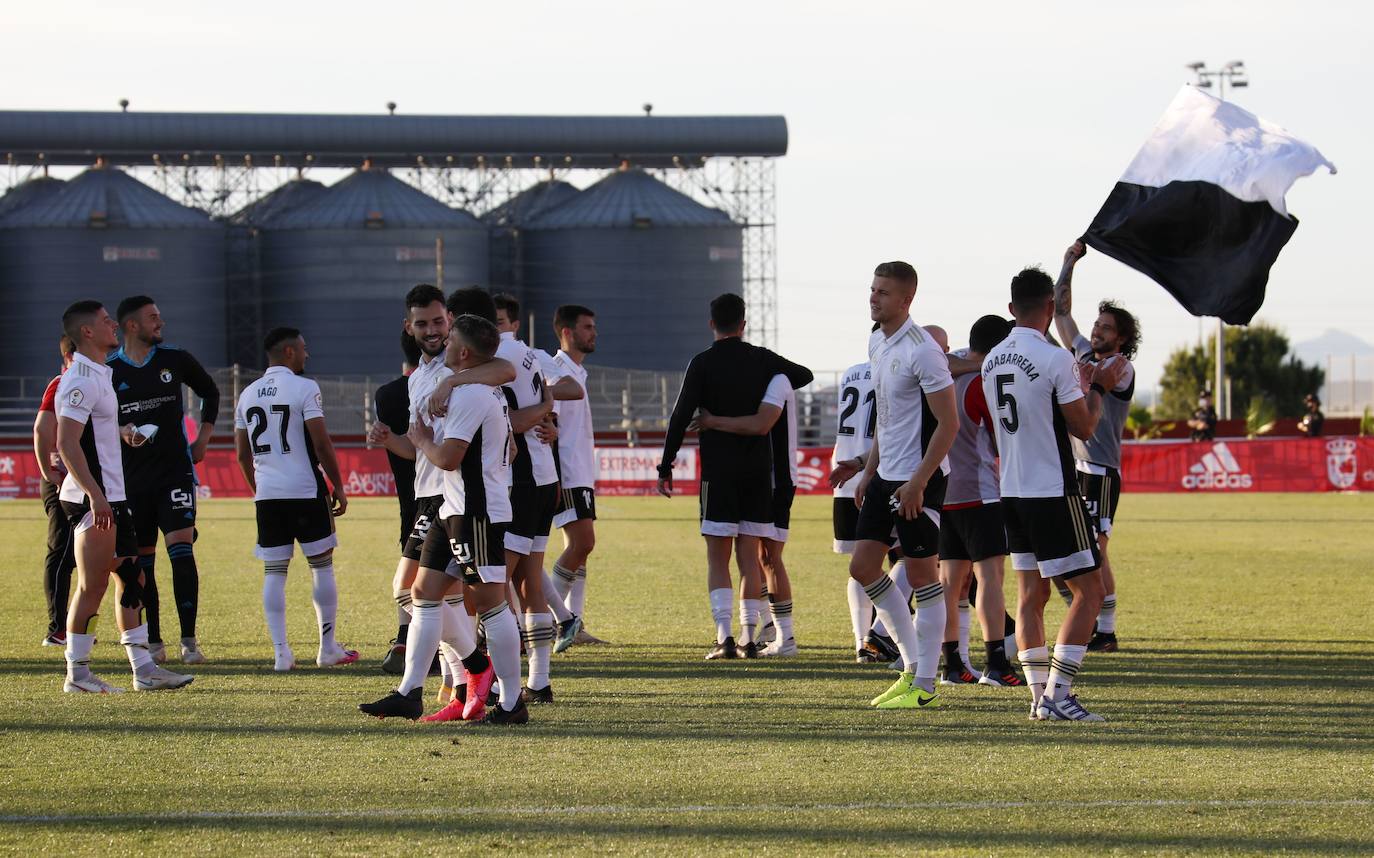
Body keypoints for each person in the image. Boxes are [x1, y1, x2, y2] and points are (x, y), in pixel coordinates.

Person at [361, 313, 527, 725]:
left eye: (450, 334)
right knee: (422, 591)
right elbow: (511, 452)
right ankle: (409, 692)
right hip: (451, 508)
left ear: (464, 351)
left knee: (490, 604)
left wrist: (421, 439)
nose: (444, 340)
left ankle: (511, 701)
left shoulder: (472, 394)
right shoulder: (476, 389)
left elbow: (448, 457)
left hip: (475, 511)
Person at [982, 266, 1126, 722]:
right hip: (1052, 489)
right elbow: (1083, 425)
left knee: (1030, 596)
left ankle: (1037, 697)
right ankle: (1060, 696)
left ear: (1010, 308)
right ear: (1049, 307)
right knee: (1090, 590)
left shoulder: (991, 359)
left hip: (1013, 491)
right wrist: (1097, 388)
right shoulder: (1053, 359)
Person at [830, 262, 958, 710]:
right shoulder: (877, 341)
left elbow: (949, 422)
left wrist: (919, 482)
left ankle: (924, 682)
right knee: (863, 567)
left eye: (883, 292)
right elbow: (887, 417)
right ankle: (910, 666)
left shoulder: (923, 350)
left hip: (918, 479)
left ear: (906, 300)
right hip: (885, 477)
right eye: (872, 289)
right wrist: (868, 471)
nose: (873, 298)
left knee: (924, 578)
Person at [656, 293, 813, 660]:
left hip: (718, 472)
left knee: (717, 558)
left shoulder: (703, 363)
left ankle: (723, 636)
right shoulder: (762, 360)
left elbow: (680, 416)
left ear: (712, 324)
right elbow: (803, 374)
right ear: (744, 324)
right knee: (749, 559)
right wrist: (773, 379)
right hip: (758, 473)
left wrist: (666, 465)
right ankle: (747, 638)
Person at [56, 300, 193, 693]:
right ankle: (78, 675)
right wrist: (95, 496)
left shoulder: (99, 373)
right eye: (104, 321)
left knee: (132, 578)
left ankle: (143, 669)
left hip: (113, 496)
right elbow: (66, 442)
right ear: (86, 332)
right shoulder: (80, 377)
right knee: (92, 585)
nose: (113, 324)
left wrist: (122, 432)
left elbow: (90, 431)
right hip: (93, 500)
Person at [234, 327, 356, 671]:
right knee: (321, 565)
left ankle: (281, 653)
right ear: (288, 352)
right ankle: (327, 647)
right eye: (303, 348)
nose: (307, 354)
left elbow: (242, 454)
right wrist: (339, 486)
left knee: (274, 572)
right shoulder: (305, 388)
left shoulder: (247, 394)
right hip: (304, 490)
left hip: (268, 496)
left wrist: (258, 491)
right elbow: (321, 443)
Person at [108, 295, 221, 665]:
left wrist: (202, 438)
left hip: (175, 472)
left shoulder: (176, 359)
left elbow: (210, 391)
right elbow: (96, 418)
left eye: (160, 316)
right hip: (131, 481)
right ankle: (155, 641)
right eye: (153, 318)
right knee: (143, 565)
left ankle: (189, 641)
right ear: (131, 326)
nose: (161, 322)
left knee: (182, 551)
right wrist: (121, 429)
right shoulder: (109, 370)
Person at [1055, 242, 1140, 653]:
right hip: (1076, 467)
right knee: (1077, 547)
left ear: (1121, 338)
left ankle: (1104, 629)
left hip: (1101, 471)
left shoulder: (1121, 368)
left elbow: (1099, 379)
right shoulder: (1087, 353)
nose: (1096, 330)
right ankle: (1090, 617)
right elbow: (1060, 312)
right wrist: (1068, 262)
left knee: (1095, 549)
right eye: (1097, 324)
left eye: (1106, 328)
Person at [936, 315, 1022, 687]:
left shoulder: (943, 375)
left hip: (944, 490)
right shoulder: (983, 383)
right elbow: (1003, 437)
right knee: (989, 577)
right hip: (980, 491)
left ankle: (952, 665)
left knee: (949, 583)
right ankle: (996, 663)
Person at [693, 367, 801, 658]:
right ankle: (768, 630)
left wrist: (712, 421)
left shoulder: (776, 379)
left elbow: (761, 424)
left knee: (768, 558)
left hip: (778, 480)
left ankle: (784, 637)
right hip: (766, 479)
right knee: (757, 558)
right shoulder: (764, 379)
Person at [493, 293, 564, 701]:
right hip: (542, 476)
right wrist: (548, 410)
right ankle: (539, 680)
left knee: (496, 581)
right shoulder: (530, 355)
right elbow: (547, 401)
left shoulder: (499, 359)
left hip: (521, 481)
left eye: (499, 320)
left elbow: (513, 419)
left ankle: (505, 684)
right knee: (529, 584)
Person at [545, 305, 606, 651]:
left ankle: (574, 622)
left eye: (593, 326)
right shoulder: (555, 372)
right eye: (587, 327)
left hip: (580, 471)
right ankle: (553, 621)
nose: (593, 332)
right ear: (567, 332)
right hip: (566, 473)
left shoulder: (577, 372)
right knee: (582, 544)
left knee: (581, 550)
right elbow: (546, 419)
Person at [372, 328, 422, 674]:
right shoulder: (445, 387)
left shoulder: (386, 395)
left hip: (408, 495)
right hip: (444, 492)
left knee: (409, 561)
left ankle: (405, 635)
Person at [34, 335, 77, 648]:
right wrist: (49, 472)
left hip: (89, 480)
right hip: (63, 480)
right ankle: (57, 629)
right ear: (69, 357)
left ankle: (77, 626)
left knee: (94, 558)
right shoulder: (61, 383)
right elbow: (41, 429)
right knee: (61, 552)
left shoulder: (101, 381)